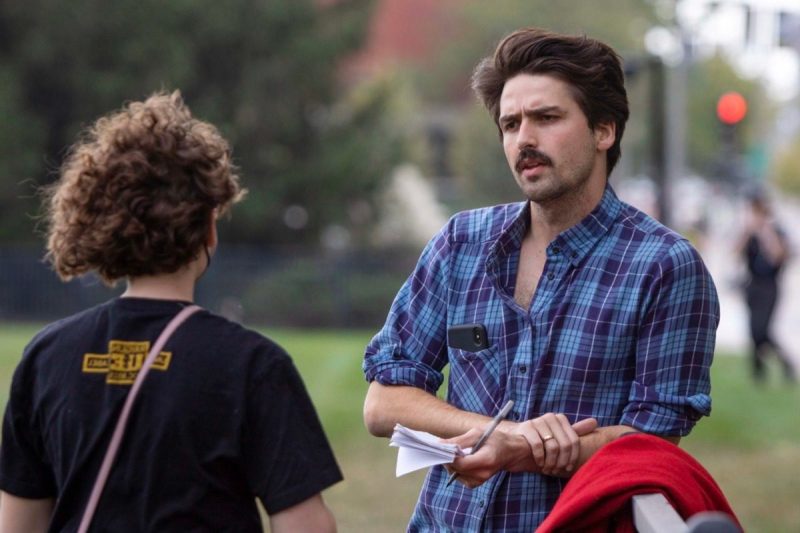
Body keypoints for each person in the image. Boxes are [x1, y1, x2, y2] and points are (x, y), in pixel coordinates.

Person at [362, 28, 720, 531]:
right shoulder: (461, 242)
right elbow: (384, 403)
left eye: (546, 118)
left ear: (604, 131)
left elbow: (653, 441)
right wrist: (499, 434)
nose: (523, 139)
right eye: (510, 124)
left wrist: (518, 451)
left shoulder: (665, 266)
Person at [0, 91, 341, 532]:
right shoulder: (253, 365)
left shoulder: (45, 357)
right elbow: (306, 525)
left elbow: (17, 523)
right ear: (208, 229)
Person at [736, 189, 796, 383]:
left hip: (770, 286)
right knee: (753, 330)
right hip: (752, 284)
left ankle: (787, 362)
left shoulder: (777, 232)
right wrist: (748, 230)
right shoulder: (749, 233)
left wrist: (766, 233)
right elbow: (735, 253)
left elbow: (778, 256)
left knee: (763, 330)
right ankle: (758, 373)